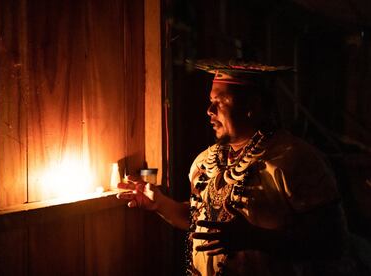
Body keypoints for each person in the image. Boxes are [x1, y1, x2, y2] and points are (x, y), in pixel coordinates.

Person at [117, 60, 368, 275]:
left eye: (220, 101)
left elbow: (334, 241)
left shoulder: (295, 159)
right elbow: (200, 220)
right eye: (210, 101)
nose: (209, 110)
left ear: (253, 106)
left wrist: (256, 238)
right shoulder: (204, 162)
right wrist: (160, 203)